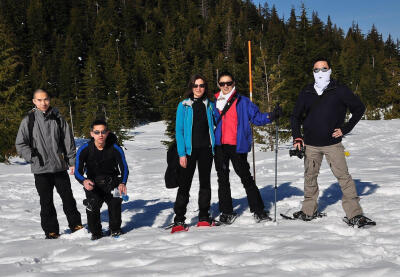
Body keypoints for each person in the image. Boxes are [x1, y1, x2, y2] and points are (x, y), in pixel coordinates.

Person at [290, 57, 375, 227]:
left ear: (330, 70)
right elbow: (295, 116)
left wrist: (345, 128)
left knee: (344, 177)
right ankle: (308, 211)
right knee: (310, 177)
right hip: (311, 144)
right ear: (312, 72)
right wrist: (297, 136)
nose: (320, 72)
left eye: (323, 69)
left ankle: (354, 215)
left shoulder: (339, 89)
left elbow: (359, 108)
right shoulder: (307, 91)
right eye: (316, 70)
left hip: (332, 144)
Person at [213, 72, 281, 224]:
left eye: (228, 83)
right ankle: (226, 211)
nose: (225, 86)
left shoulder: (242, 101)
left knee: (246, 178)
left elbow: (257, 118)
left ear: (233, 83)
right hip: (219, 147)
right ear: (219, 84)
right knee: (222, 180)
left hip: (238, 146)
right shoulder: (214, 102)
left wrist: (271, 116)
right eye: (222, 83)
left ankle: (258, 210)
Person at [15, 89, 83, 239]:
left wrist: (72, 161)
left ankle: (76, 225)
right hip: (41, 169)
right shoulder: (29, 120)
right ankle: (51, 231)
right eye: (39, 100)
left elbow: (68, 142)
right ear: (34, 101)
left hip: (59, 167)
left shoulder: (58, 118)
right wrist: (32, 157)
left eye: (45, 99)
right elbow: (20, 143)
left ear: (49, 100)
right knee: (46, 202)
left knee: (68, 199)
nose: (43, 103)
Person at [171, 74, 216, 233]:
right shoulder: (183, 105)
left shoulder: (210, 104)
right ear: (191, 87)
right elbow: (179, 131)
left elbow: (218, 121)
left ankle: (204, 215)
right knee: (184, 185)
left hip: (206, 150)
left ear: (205, 87)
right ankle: (179, 219)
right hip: (189, 152)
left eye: (202, 86)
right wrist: (182, 153)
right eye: (195, 86)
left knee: (205, 184)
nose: (199, 89)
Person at [75, 119, 129, 240]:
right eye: (97, 132)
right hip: (93, 184)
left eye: (103, 132)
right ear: (92, 133)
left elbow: (124, 168)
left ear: (108, 132)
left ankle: (115, 229)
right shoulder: (84, 149)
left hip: (112, 182)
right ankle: (96, 233)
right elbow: (78, 171)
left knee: (115, 203)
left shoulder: (115, 148)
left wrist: (122, 183)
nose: (100, 135)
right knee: (92, 205)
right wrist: (84, 181)